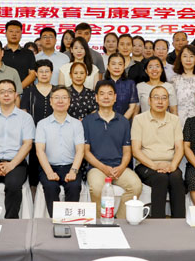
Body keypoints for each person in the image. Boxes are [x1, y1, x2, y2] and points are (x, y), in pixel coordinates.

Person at [83, 80, 142, 219]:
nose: (106, 97)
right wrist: (103, 168)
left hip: (119, 168)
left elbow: (127, 151)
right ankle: (100, 221)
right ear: (96, 98)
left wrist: (121, 167)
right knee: (96, 188)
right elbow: (86, 152)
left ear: (115, 97)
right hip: (97, 168)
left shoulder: (123, 121)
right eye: (102, 94)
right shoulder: (87, 121)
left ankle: (120, 220)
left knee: (135, 186)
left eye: (110, 94)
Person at [0, 80, 35, 218]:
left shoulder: (26, 118)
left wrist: (11, 165)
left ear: (16, 95)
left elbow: (27, 144)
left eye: (10, 91)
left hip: (16, 162)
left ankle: (10, 222)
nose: (6, 95)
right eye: (2, 92)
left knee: (13, 185)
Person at [132, 85, 185, 218]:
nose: (160, 101)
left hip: (169, 164)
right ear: (149, 101)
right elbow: (136, 150)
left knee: (176, 177)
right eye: (156, 98)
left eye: (164, 98)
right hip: (145, 165)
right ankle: (158, 222)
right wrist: (154, 166)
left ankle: (179, 221)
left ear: (168, 101)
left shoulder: (174, 120)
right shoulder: (139, 119)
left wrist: (173, 165)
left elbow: (179, 148)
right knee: (160, 178)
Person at [35, 85, 85, 216]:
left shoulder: (77, 124)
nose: (60, 101)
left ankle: (70, 220)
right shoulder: (42, 124)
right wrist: (49, 172)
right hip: (49, 166)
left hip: (70, 166)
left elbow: (80, 150)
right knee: (50, 186)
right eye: (56, 97)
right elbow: (40, 151)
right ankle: (56, 220)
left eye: (64, 97)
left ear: (69, 101)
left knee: (74, 186)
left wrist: (73, 171)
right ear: (51, 102)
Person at [20, 59, 54, 190]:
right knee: (34, 167)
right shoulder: (29, 92)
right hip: (33, 136)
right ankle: (34, 192)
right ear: (36, 74)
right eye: (41, 71)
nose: (44, 74)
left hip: (55, 136)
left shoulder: (57, 91)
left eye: (47, 71)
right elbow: (24, 114)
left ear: (51, 73)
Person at [172, 45, 195, 127]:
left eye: (191, 56)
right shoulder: (174, 79)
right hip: (179, 121)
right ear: (180, 59)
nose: (188, 59)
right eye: (185, 56)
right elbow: (172, 105)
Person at [3, 20, 37, 89]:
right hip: (2, 91)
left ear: (21, 34)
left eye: (17, 32)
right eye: (11, 31)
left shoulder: (28, 53)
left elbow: (32, 74)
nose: (14, 34)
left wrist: (18, 89)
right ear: (5, 34)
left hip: (23, 91)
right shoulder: (0, 52)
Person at [104, 53, 139, 118]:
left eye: (120, 64)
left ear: (124, 67)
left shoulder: (130, 84)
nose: (117, 67)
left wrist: (121, 121)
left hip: (125, 121)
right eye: (113, 64)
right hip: (104, 121)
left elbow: (132, 107)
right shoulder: (101, 84)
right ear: (108, 67)